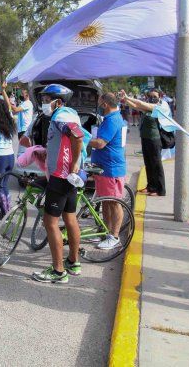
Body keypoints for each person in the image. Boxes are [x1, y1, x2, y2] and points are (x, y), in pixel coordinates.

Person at [31, 84, 85, 284]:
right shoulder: (67, 114)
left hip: (60, 176)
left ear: (58, 102)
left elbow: (77, 136)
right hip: (67, 176)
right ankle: (73, 262)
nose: (44, 103)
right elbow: (65, 142)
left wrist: (75, 163)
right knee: (70, 218)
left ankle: (58, 271)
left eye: (47, 100)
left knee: (50, 222)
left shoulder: (61, 116)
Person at [89, 92, 127, 249]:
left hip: (111, 169)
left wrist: (83, 138)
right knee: (105, 201)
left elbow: (100, 143)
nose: (98, 105)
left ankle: (115, 236)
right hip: (104, 168)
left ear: (105, 104)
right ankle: (106, 232)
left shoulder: (112, 120)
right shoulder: (110, 118)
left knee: (114, 203)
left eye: (99, 102)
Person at [122, 89, 170, 196]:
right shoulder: (147, 108)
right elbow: (135, 106)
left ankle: (160, 190)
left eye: (155, 96)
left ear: (159, 97)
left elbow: (140, 103)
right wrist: (125, 99)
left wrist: (127, 97)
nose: (152, 98)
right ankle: (151, 187)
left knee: (156, 164)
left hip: (154, 139)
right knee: (148, 163)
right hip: (145, 138)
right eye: (150, 96)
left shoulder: (159, 107)